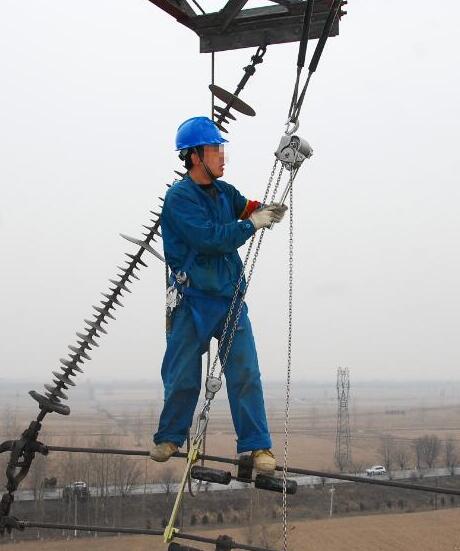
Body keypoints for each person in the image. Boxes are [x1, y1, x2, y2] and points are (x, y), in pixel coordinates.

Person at [150, 116, 287, 473]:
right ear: (195, 156)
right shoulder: (180, 198)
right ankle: (170, 436)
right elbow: (210, 238)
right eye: (215, 149)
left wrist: (264, 210)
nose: (222, 156)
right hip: (192, 300)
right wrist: (251, 224)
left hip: (229, 300)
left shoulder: (225, 193)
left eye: (221, 149)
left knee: (245, 373)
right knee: (182, 374)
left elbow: (245, 207)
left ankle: (257, 446)